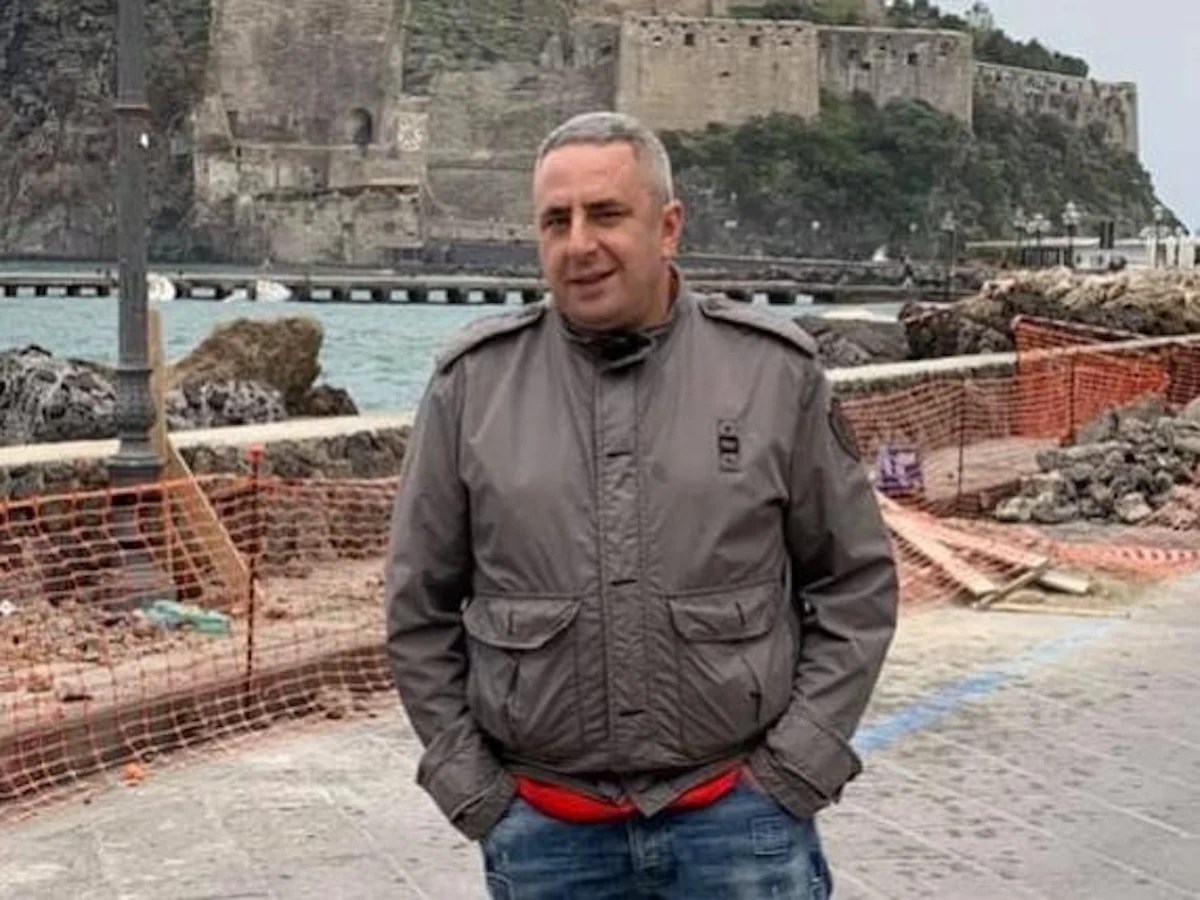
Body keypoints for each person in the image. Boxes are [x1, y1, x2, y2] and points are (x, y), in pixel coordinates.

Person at [386, 111, 899, 899]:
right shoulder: (471, 387)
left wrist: (799, 766)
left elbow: (854, 583)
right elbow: (417, 609)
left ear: (668, 227)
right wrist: (476, 793)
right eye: (556, 221)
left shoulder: (772, 374)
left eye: (606, 214)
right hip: (545, 834)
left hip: (741, 822)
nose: (579, 244)